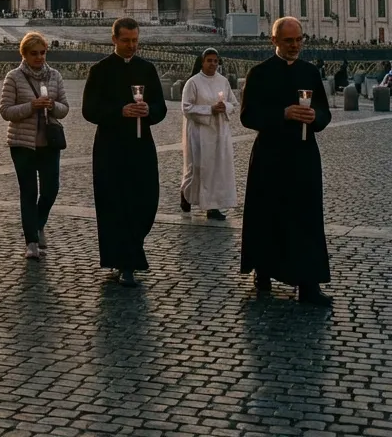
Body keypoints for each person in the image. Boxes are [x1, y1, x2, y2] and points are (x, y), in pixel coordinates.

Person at [240, 16, 333, 306]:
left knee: (307, 218)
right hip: (270, 156)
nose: (295, 45)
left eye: (298, 40)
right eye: (289, 41)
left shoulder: (310, 72)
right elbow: (248, 115)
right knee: (268, 215)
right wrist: (283, 114)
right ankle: (264, 270)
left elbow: (325, 111)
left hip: (304, 155)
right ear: (274, 41)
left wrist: (315, 116)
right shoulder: (259, 73)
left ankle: (309, 284)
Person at [82, 17, 167, 287]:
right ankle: (125, 261)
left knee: (146, 200)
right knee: (114, 204)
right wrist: (120, 111)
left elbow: (161, 107)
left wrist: (149, 110)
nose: (131, 46)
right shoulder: (100, 70)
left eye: (135, 40)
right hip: (110, 148)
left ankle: (129, 251)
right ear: (114, 40)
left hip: (141, 146)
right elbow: (89, 110)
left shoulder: (147, 69)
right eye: (126, 40)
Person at [0, 32, 69, 260]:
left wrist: (52, 105)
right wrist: (32, 106)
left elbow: (65, 108)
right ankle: (31, 241)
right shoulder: (13, 77)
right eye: (34, 54)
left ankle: (38, 224)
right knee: (28, 191)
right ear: (24, 54)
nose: (39, 57)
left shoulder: (55, 76)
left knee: (51, 189)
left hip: (49, 142)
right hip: (22, 143)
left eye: (42, 53)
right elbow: (5, 111)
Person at [179, 49, 237, 221]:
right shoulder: (193, 82)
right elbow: (186, 108)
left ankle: (213, 207)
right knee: (198, 168)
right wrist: (209, 109)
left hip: (220, 131)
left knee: (217, 170)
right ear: (202, 62)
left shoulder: (223, 81)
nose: (213, 64)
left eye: (215, 61)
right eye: (209, 61)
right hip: (200, 132)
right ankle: (186, 193)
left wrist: (224, 107)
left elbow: (233, 103)